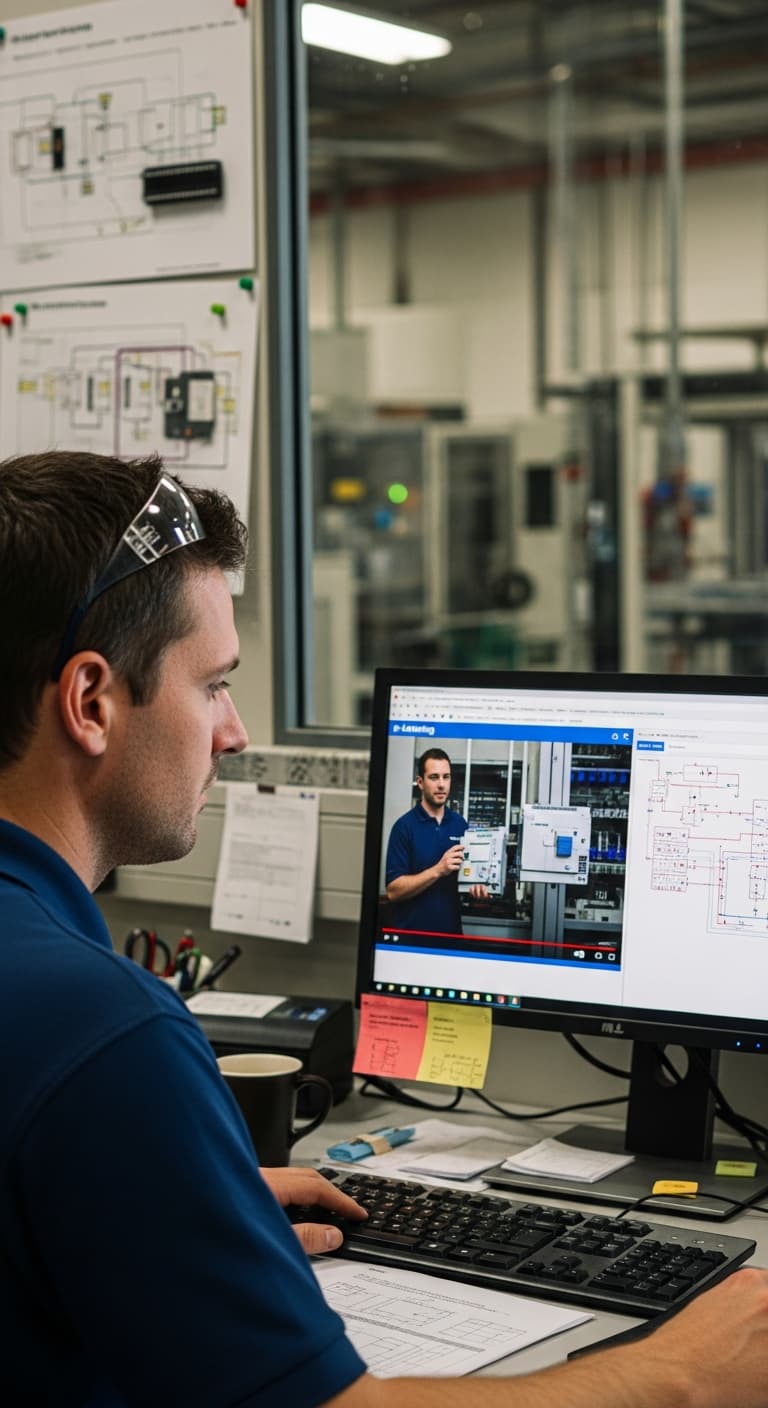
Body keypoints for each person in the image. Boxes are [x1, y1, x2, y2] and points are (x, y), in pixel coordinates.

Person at [3, 450, 768, 1408]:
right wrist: (678, 1374)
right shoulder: (106, 1031)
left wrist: (182, 1210)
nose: (234, 732)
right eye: (213, 686)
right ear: (90, 703)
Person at [385, 747, 488, 933]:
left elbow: (466, 879)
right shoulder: (404, 827)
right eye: (434, 777)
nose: (441, 785)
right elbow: (393, 892)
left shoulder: (460, 825)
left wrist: (476, 888)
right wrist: (439, 870)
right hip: (412, 941)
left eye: (446, 777)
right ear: (420, 782)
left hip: (450, 938)